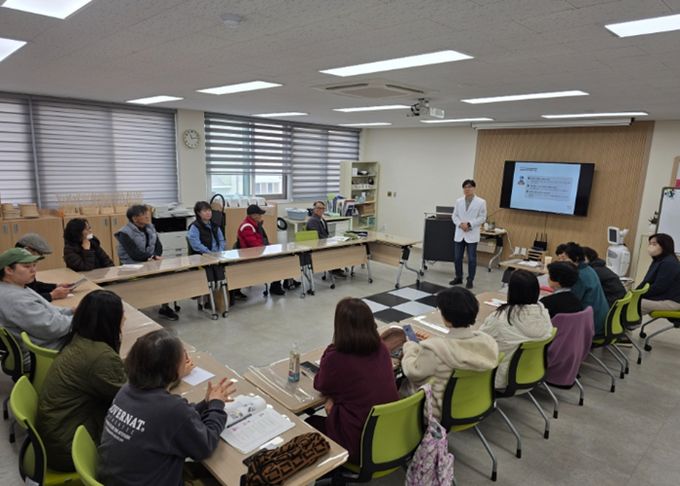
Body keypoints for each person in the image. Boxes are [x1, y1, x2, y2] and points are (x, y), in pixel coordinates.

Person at [97, 329, 236, 486]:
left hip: (114, 478)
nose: (187, 359)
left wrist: (206, 403)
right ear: (171, 368)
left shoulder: (127, 390)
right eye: (184, 355)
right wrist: (217, 405)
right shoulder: (171, 409)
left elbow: (177, 420)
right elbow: (205, 446)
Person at [36, 290, 127, 472]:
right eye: (121, 314)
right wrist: (171, 376)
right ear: (110, 320)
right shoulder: (100, 356)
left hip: (58, 433)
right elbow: (132, 399)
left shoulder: (80, 339)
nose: (124, 318)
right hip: (68, 448)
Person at [307, 298, 398, 463]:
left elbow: (320, 384)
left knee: (309, 423)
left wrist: (331, 348)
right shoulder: (381, 347)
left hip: (359, 443)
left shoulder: (336, 357)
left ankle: (330, 469)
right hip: (388, 434)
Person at [401, 287, 499, 419]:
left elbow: (412, 372)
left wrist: (410, 347)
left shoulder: (435, 349)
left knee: (401, 382)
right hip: (476, 403)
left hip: (439, 412)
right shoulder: (488, 342)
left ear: (446, 318)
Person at [479, 270, 553, 389]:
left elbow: (478, 342)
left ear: (512, 291)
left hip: (501, 378)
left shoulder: (501, 319)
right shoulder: (543, 313)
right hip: (530, 372)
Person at [0, 248, 73, 354]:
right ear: (8, 270)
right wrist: (81, 318)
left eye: (34, 265)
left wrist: (71, 311)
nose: (33, 270)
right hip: (47, 350)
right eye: (27, 266)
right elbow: (52, 327)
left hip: (46, 342)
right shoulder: (16, 299)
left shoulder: (16, 286)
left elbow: (47, 310)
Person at [115, 205, 178, 320]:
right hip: (132, 265)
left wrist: (155, 256)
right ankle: (135, 308)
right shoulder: (124, 233)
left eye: (147, 213)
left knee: (167, 275)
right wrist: (152, 257)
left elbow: (158, 246)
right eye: (143, 214)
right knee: (143, 281)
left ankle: (164, 307)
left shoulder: (150, 228)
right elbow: (134, 253)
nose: (147, 216)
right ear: (134, 218)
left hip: (150, 262)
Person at [237, 204, 300, 295]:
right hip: (251, 255)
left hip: (258, 252)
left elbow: (262, 241)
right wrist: (270, 249)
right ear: (253, 215)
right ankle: (276, 286)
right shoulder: (247, 227)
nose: (261, 216)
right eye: (259, 214)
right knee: (279, 259)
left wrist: (271, 247)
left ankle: (288, 281)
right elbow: (256, 246)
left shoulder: (255, 225)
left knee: (287, 255)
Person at [561, 242, 609, 335]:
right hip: (601, 319)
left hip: (592, 324)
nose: (563, 261)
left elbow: (572, 302)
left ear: (576, 258)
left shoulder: (579, 276)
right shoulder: (589, 269)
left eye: (565, 258)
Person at [450, 179, 487, 289]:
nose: (467, 189)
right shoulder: (459, 201)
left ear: (474, 188)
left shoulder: (481, 202)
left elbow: (482, 217)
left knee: (471, 259)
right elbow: (454, 216)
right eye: (465, 187)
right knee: (457, 258)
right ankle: (458, 277)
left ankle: (470, 280)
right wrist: (460, 224)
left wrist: (470, 224)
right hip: (460, 233)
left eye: (469, 187)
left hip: (472, 233)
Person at [15, 233, 71, 302]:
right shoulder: (16, 269)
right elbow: (24, 299)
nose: (38, 259)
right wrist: (51, 295)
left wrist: (56, 286)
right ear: (27, 250)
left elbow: (33, 286)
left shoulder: (22, 265)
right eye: (39, 254)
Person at [637, 233, 680, 314]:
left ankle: (627, 322)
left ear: (664, 246)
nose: (650, 246)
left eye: (654, 244)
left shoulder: (669, 263)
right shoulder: (658, 260)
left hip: (673, 301)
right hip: (662, 297)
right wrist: (634, 293)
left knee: (634, 304)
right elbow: (646, 282)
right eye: (650, 244)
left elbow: (659, 287)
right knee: (630, 301)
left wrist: (637, 296)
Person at [306, 200, 346, 278]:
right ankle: (334, 269)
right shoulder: (312, 221)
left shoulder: (322, 219)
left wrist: (331, 239)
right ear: (314, 209)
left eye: (322, 208)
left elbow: (325, 234)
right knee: (335, 249)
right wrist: (329, 241)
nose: (320, 210)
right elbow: (317, 237)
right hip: (319, 245)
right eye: (318, 208)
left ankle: (336, 268)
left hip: (325, 242)